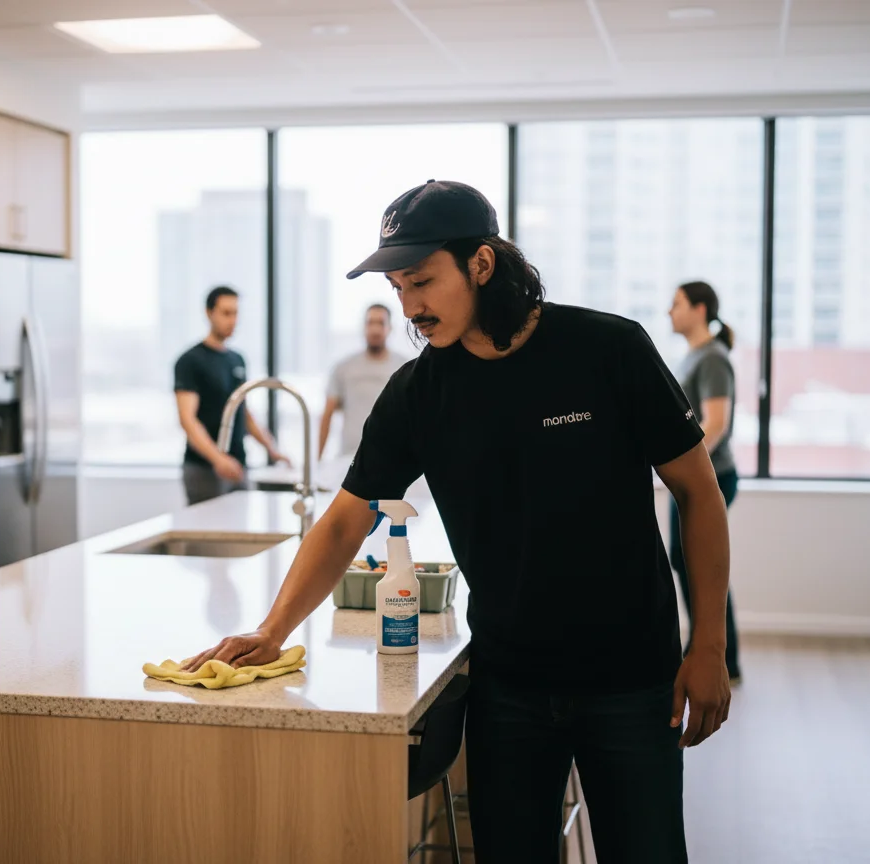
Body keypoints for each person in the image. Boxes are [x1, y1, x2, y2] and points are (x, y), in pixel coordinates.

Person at [184, 181, 732, 863]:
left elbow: (699, 492)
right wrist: (272, 630)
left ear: (481, 263)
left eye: (421, 282)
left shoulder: (608, 349)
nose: (408, 307)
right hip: (510, 685)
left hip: (630, 676)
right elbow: (343, 523)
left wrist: (708, 643)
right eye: (398, 287)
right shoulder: (419, 393)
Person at [668, 281, 742, 684]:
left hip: (712, 477)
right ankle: (705, 647)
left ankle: (718, 655)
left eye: (676, 304)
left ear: (699, 310)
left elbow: (716, 423)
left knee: (700, 563)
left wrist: (689, 468)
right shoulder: (693, 357)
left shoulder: (712, 358)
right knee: (684, 560)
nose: (669, 311)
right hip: (692, 477)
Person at [174, 286, 288, 506]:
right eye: (226, 313)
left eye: (235, 313)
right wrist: (218, 459)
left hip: (239, 466)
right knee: (207, 536)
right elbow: (187, 419)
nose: (233, 320)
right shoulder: (190, 361)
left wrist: (272, 450)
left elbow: (244, 412)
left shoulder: (237, 360)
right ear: (209, 313)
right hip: (203, 469)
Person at [317, 304, 409, 460]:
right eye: (370, 323)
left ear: (390, 328)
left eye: (380, 323)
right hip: (349, 458)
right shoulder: (343, 367)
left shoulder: (404, 368)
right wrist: (317, 461)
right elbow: (327, 414)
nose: (375, 329)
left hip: (393, 459)